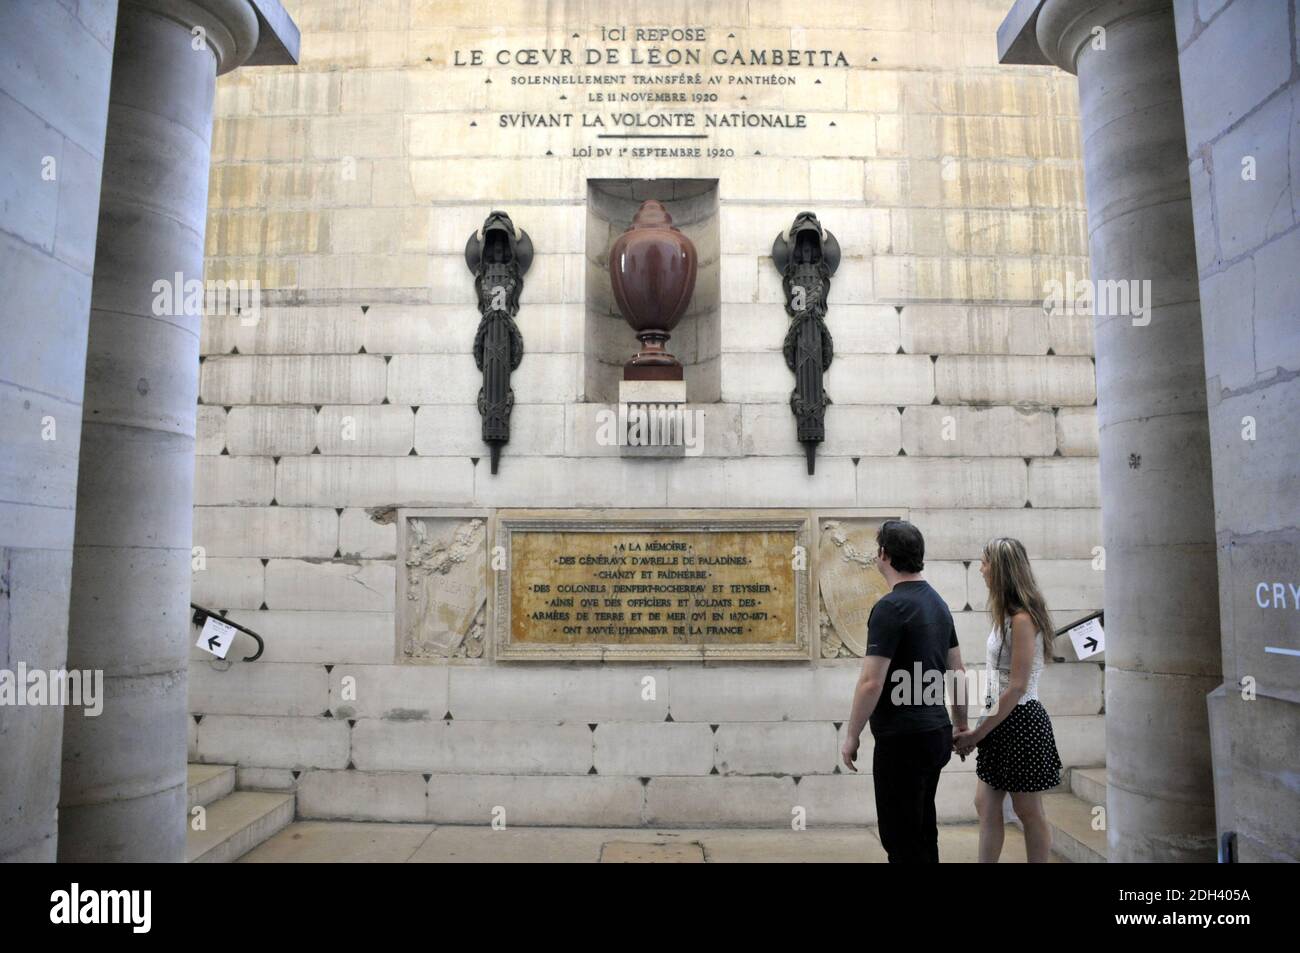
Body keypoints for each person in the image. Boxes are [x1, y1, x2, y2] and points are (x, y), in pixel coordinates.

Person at [842, 519, 968, 863]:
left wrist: (851, 735)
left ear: (883, 554)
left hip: (902, 740)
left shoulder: (890, 608)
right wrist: (960, 725)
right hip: (935, 734)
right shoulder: (938, 604)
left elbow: (871, 682)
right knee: (923, 830)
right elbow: (957, 672)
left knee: (900, 839)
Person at [954, 537, 1063, 863]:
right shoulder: (1005, 615)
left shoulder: (1022, 620)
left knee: (1027, 810)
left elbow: (1016, 688)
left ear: (1000, 570)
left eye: (985, 562)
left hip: (1021, 722)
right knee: (985, 805)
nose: (981, 569)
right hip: (999, 717)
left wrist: (976, 734)